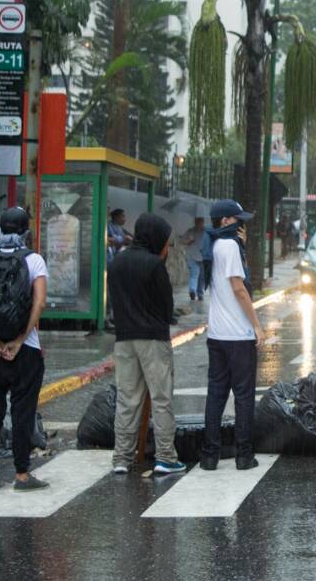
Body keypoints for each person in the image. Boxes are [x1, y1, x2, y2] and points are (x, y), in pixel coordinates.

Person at [108, 213, 185, 475]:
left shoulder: (117, 262)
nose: (166, 246)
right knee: (161, 398)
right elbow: (167, 307)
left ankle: (121, 458)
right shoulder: (154, 265)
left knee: (127, 399)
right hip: (153, 339)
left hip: (124, 339)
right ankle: (165, 456)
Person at [0, 208, 49, 492]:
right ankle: (22, 475)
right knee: (22, 412)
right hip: (26, 351)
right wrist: (19, 340)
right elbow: (40, 302)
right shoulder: (33, 260)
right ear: (25, 232)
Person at [201, 200, 265, 471]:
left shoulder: (214, 244)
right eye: (238, 220)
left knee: (216, 395)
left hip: (217, 334)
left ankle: (209, 456)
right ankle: (244, 455)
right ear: (226, 221)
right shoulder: (229, 247)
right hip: (238, 335)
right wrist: (257, 326)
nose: (242, 224)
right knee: (243, 395)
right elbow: (240, 289)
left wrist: (244, 247)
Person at [182, 215, 206, 302]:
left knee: (202, 277)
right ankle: (192, 291)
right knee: (194, 274)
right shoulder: (190, 231)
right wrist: (189, 240)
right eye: (197, 221)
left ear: (203, 222)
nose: (198, 223)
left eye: (200, 221)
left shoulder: (207, 232)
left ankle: (200, 294)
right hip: (192, 256)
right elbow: (183, 241)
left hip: (204, 257)